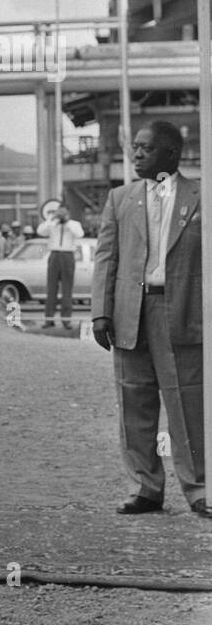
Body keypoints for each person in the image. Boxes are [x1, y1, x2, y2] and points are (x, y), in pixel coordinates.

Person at [92, 122, 207, 519]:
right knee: (133, 403)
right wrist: (100, 313)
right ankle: (145, 488)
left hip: (182, 312)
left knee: (187, 403)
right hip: (129, 315)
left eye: (146, 148)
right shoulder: (120, 198)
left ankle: (200, 490)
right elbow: (106, 258)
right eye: (134, 147)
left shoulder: (201, 197)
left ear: (171, 153)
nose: (136, 154)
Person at [37, 203, 85, 330]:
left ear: (68, 212)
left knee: (67, 290)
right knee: (51, 289)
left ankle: (66, 320)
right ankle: (49, 319)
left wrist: (67, 222)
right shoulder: (53, 223)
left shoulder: (74, 224)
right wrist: (53, 220)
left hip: (68, 255)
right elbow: (41, 231)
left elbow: (79, 234)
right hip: (54, 254)